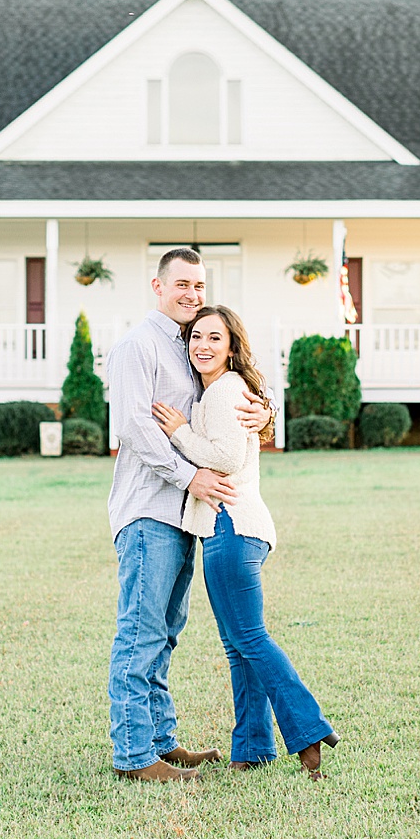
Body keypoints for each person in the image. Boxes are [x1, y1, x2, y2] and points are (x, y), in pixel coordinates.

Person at [105, 248, 273, 783]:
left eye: (198, 286)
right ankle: (135, 756)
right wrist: (189, 478)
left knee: (167, 629)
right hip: (150, 509)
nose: (191, 295)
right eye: (181, 284)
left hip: (185, 516)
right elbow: (133, 427)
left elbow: (230, 403)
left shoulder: (189, 345)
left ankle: (161, 740)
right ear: (157, 287)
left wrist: (264, 412)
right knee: (141, 630)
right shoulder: (139, 346)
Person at [152, 305, 340, 779]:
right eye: (196, 337)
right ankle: (252, 748)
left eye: (215, 338)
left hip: (230, 526)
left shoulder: (224, 391)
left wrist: (179, 433)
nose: (203, 346)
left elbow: (227, 457)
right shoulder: (223, 390)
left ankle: (308, 728)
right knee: (239, 645)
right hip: (237, 528)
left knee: (249, 638)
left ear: (232, 346)